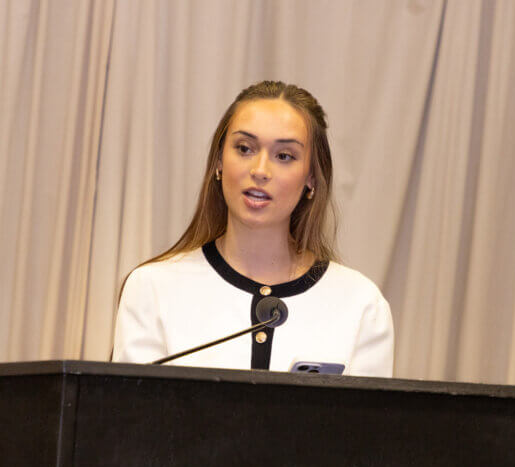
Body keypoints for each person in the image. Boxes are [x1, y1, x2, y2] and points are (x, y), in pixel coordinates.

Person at [113, 81, 393, 377]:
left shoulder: (361, 304)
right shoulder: (152, 288)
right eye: (244, 148)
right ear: (219, 161)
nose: (260, 170)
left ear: (311, 177)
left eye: (284, 156)